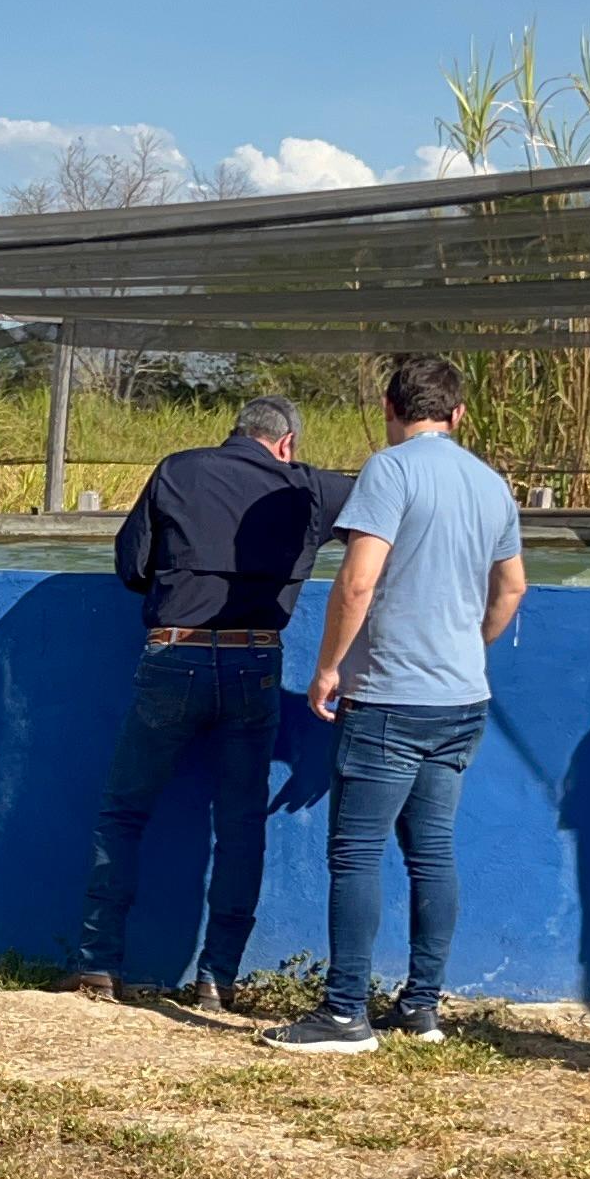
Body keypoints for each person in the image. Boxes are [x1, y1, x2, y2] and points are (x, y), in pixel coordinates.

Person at [265, 353, 526, 1054]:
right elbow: (511, 588)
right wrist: (468, 645)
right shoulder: (491, 483)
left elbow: (358, 582)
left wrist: (327, 668)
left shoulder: (389, 471)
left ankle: (344, 1012)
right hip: (461, 698)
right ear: (458, 413)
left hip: (390, 696)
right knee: (432, 851)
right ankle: (421, 1007)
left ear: (389, 408)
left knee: (355, 854)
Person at [67, 396, 354, 1012]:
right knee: (241, 825)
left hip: (175, 654)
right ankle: (216, 979)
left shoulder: (177, 469)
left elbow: (131, 566)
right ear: (287, 443)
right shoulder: (310, 487)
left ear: (239, 432)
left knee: (124, 814)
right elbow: (388, 516)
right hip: (255, 660)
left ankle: (98, 966)